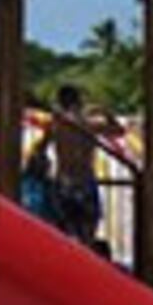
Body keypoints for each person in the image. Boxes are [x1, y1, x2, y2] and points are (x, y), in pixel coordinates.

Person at [44, 86, 101, 247]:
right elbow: (118, 130)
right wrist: (103, 111)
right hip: (84, 179)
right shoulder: (88, 123)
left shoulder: (56, 125)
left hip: (64, 179)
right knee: (87, 234)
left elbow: (41, 148)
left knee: (63, 233)